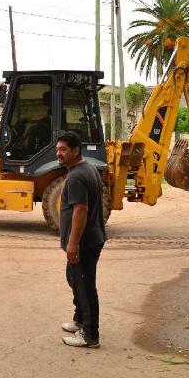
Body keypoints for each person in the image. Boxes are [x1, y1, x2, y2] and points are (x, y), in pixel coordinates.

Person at [55, 130, 107, 348]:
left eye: (63, 150)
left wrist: (73, 243)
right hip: (93, 237)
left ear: (76, 151)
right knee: (74, 278)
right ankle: (79, 320)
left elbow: (81, 211)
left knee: (85, 286)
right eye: (57, 149)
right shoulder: (88, 168)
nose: (59, 154)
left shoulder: (76, 176)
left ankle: (90, 335)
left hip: (84, 242)